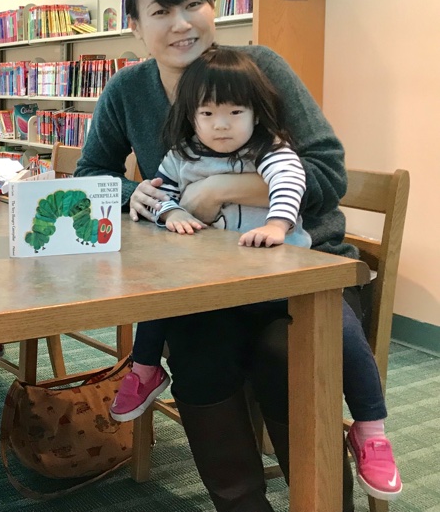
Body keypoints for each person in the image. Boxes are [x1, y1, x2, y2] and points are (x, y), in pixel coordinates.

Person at [75, 0, 376, 511]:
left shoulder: (257, 68)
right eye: (161, 11)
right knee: (196, 353)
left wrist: (218, 190)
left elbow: (328, 173)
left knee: (285, 355)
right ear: (135, 26)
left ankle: (325, 503)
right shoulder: (128, 91)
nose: (181, 23)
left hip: (304, 272)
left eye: (194, 4)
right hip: (205, 281)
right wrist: (129, 192)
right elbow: (90, 173)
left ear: (214, 9)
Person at [106, 46, 401, 501]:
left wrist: (278, 224)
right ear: (190, 116)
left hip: (291, 284)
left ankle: (369, 430)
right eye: (207, 113)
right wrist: (166, 211)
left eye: (235, 112)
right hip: (218, 285)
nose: (221, 124)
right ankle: (145, 370)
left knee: (334, 334)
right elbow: (160, 193)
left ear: (255, 114)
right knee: (170, 315)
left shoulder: (269, 148)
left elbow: (291, 181)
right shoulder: (182, 153)